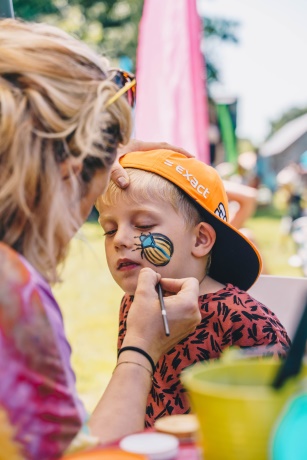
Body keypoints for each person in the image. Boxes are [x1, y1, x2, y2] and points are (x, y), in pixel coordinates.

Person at [0, 19, 202, 459]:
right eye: (104, 220)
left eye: (144, 224)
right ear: (70, 170)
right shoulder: (10, 292)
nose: (119, 239)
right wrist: (141, 349)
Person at [96, 148, 291, 427]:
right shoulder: (136, 303)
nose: (121, 239)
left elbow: (279, 417)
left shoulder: (244, 319)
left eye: (143, 224)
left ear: (200, 239)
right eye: (109, 229)